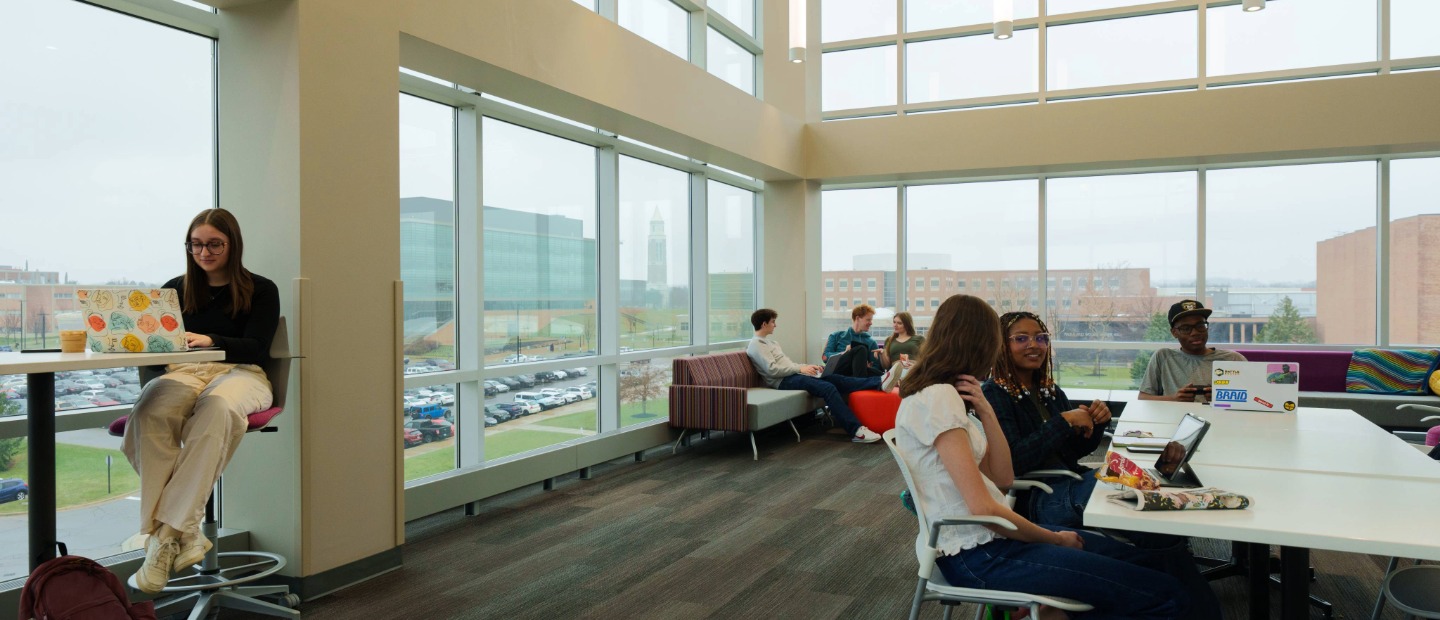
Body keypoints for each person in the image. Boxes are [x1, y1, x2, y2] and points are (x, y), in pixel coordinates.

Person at [893, 295, 1218, 619]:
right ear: (983, 341)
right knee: (1167, 595)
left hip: (996, 540)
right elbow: (985, 507)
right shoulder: (938, 398)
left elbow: (1003, 479)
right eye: (1012, 339)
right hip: (982, 554)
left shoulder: (956, 395)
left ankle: (1059, 613)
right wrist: (1055, 538)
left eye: (1039, 338)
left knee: (1154, 565)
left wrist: (986, 411)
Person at [122, 208, 280, 593]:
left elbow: (258, 348)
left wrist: (213, 341)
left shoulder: (260, 289)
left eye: (214, 244)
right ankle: (186, 533)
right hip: (185, 374)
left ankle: (166, 537)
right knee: (148, 410)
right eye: (196, 244)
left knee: (219, 408)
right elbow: (157, 349)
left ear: (232, 245)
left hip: (242, 374)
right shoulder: (173, 289)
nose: (204, 252)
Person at [983, 311, 1109, 527]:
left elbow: (1073, 451)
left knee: (1134, 489)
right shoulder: (993, 394)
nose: (1034, 344)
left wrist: (1096, 423)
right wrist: (1064, 420)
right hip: (1036, 498)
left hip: (1070, 482)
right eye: (1021, 338)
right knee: (1123, 495)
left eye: (1041, 338)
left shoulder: (1050, 391)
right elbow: (1014, 461)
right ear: (1002, 345)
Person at [746, 309, 883, 443]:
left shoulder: (772, 343)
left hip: (792, 375)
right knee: (827, 387)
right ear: (764, 324)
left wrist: (808, 367)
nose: (775, 325)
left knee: (834, 378)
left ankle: (880, 381)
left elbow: (787, 364)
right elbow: (772, 370)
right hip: (782, 381)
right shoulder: (756, 345)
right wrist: (801, 368)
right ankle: (856, 431)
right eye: (773, 322)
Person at [1138, 300, 1246, 403]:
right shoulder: (1163, 357)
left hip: (1221, 419)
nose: (1195, 333)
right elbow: (1143, 398)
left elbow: (1257, 397)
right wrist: (1174, 399)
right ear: (1174, 332)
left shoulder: (1233, 359)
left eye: (1200, 326)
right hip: (1175, 418)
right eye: (1186, 328)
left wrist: (1223, 397)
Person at [821, 304, 884, 378]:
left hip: (858, 374)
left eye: (871, 320)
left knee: (861, 352)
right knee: (861, 348)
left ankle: (885, 378)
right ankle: (885, 377)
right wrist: (844, 353)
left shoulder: (871, 342)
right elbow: (825, 357)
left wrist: (866, 367)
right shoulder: (836, 336)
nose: (871, 323)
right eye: (868, 320)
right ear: (857, 318)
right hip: (839, 372)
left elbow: (876, 366)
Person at [879, 311, 923, 391]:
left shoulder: (919, 339)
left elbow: (926, 358)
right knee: (899, 372)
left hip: (913, 369)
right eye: (894, 322)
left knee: (909, 373)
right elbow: (886, 366)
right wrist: (882, 354)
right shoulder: (889, 340)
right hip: (896, 370)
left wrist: (915, 366)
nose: (895, 325)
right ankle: (901, 382)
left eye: (899, 323)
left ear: (907, 324)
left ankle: (901, 382)